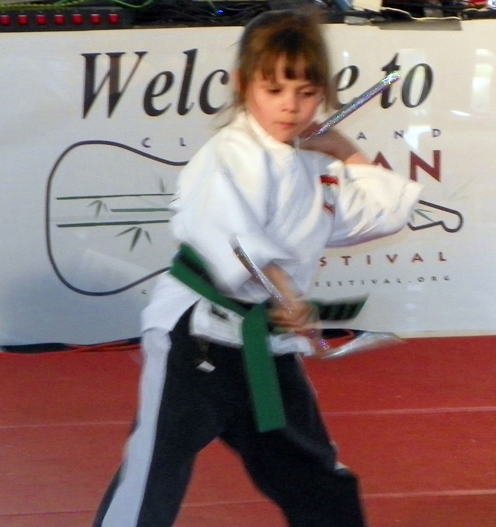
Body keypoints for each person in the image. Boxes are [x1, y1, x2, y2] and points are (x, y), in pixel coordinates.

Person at [93, 8, 422, 527]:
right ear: (244, 85)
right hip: (193, 344)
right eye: (274, 90)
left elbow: (381, 214)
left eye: (306, 91)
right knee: (153, 475)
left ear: (324, 93)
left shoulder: (316, 163)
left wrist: (343, 149)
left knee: (315, 476)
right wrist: (287, 292)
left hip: (265, 350)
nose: (291, 106)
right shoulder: (229, 153)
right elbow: (231, 238)